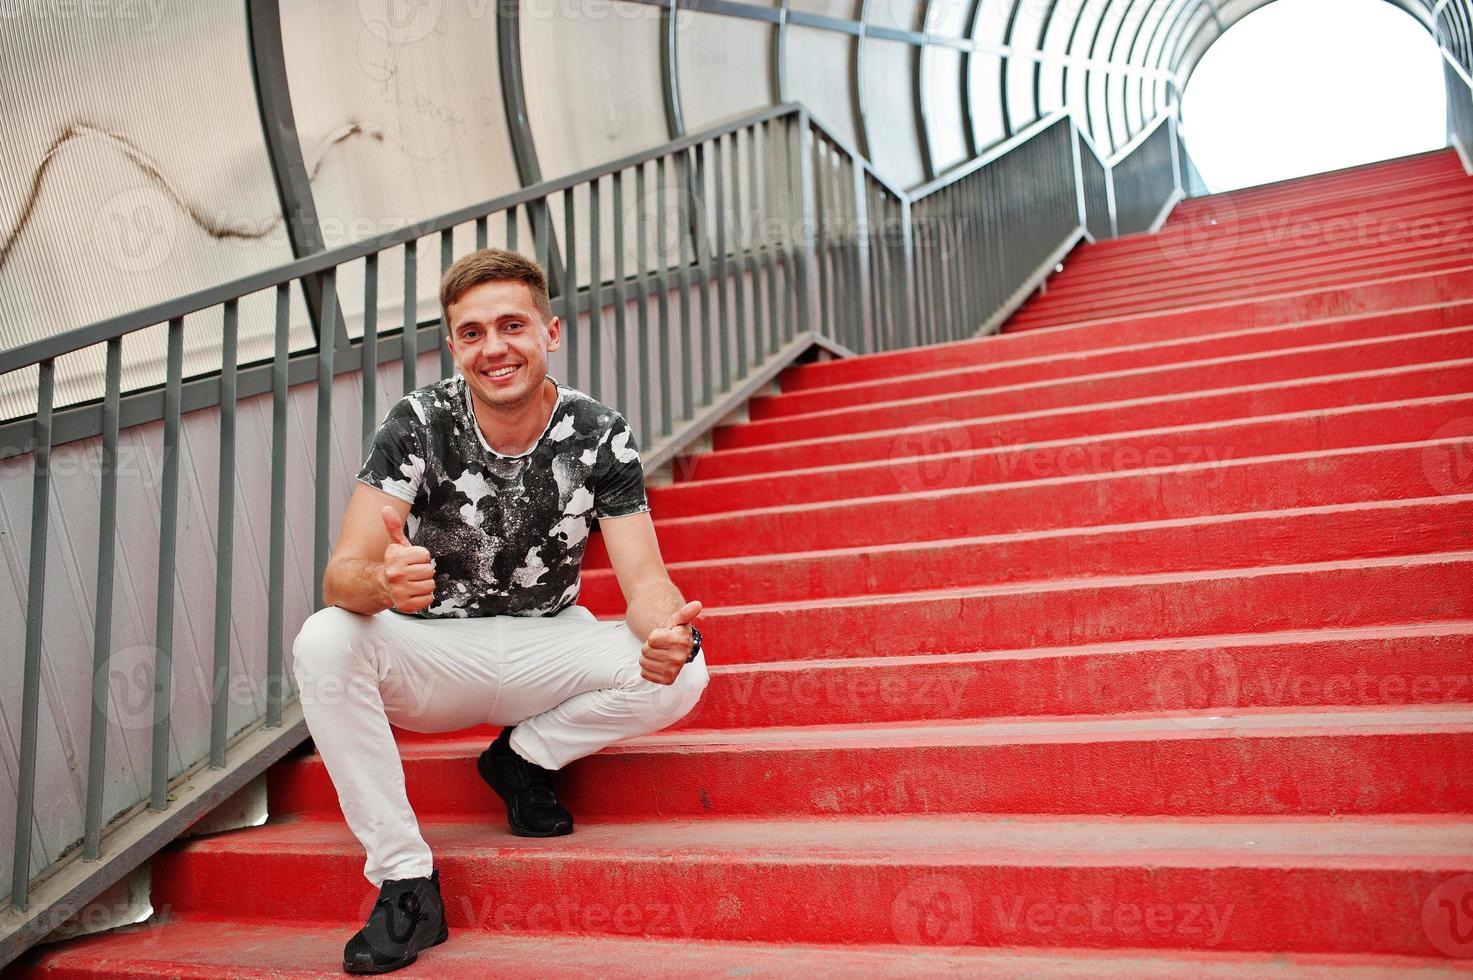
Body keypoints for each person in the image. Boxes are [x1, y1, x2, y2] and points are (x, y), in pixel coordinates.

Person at [290, 248, 709, 974]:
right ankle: (404, 880)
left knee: (687, 671)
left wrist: (667, 630)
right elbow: (342, 577)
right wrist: (384, 585)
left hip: (547, 642)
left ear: (549, 331)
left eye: (511, 325)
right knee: (325, 639)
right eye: (473, 332)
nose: (494, 348)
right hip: (436, 657)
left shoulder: (598, 431)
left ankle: (523, 759)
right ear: (453, 346)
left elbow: (644, 580)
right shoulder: (417, 422)